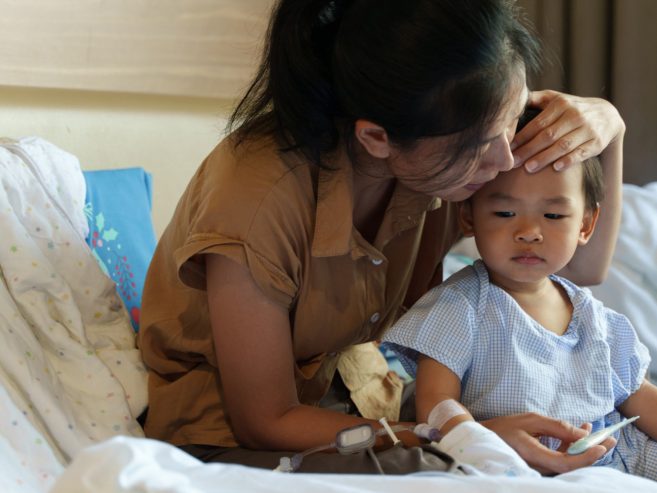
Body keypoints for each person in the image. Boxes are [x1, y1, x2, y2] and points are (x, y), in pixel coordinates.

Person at [137, 0, 625, 474]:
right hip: (229, 435)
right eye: (479, 146)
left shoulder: (451, 136)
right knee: (459, 474)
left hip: (363, 399)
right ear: (376, 138)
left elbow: (580, 267)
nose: (504, 161)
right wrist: (464, 434)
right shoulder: (256, 199)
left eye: (511, 120)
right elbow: (265, 420)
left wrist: (610, 129)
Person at [382, 146, 657, 479]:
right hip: (514, 461)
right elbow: (436, 403)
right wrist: (480, 445)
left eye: (553, 216)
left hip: (617, 452)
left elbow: (637, 396)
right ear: (469, 217)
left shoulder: (594, 317)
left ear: (586, 224)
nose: (529, 232)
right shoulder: (460, 306)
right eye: (504, 213)